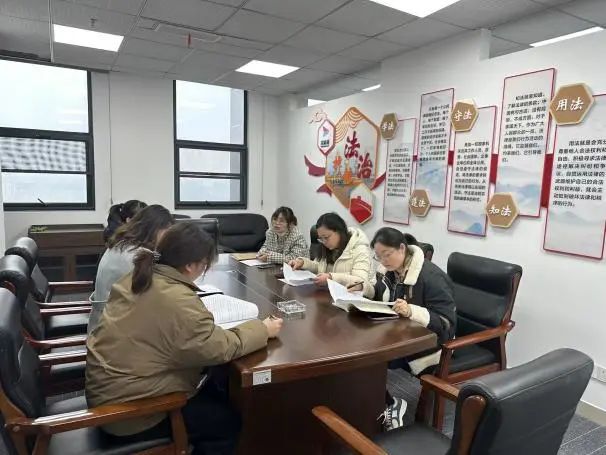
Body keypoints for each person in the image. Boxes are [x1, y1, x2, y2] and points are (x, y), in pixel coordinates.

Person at [86, 222, 283, 454]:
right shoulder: (176, 298)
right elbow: (217, 348)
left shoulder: (140, 276)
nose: (203, 271)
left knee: (215, 386)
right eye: (204, 265)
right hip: (132, 414)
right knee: (226, 423)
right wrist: (262, 329)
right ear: (190, 265)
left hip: (112, 392)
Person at [362, 227, 456, 431]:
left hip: (429, 344)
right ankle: (383, 404)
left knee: (367, 359)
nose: (383, 261)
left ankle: (390, 405)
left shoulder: (431, 277)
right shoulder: (390, 270)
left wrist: (412, 311)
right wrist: (363, 288)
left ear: (402, 248)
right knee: (360, 351)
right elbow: (381, 295)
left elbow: (446, 324)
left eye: (387, 254)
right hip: (400, 334)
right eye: (378, 256)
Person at [88, 205, 174, 333]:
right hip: (115, 332)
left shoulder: (120, 244)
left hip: (102, 323)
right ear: (154, 230)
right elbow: (156, 298)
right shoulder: (137, 257)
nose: (168, 238)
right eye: (167, 232)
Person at [289, 212, 372, 288]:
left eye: (326, 237)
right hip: (331, 294)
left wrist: (331, 278)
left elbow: (360, 282)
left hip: (354, 297)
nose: (324, 242)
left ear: (339, 231)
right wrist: (302, 263)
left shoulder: (360, 249)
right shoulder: (328, 247)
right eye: (321, 239)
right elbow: (318, 267)